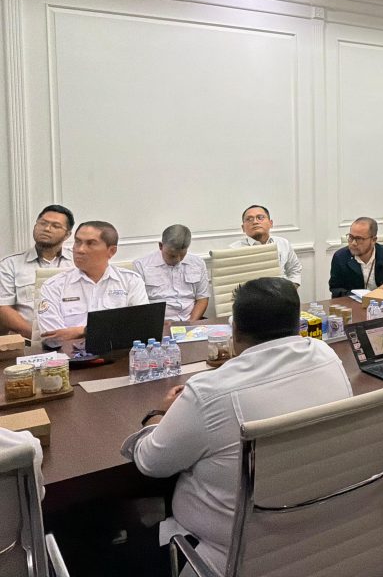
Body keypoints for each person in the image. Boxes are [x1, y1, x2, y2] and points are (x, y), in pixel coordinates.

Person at [120, 277, 353, 575]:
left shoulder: (208, 391)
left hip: (233, 549)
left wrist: (159, 414)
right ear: (297, 323)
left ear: (235, 330)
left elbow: (151, 463)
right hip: (321, 528)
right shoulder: (327, 357)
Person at [36, 221, 148, 341]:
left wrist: (82, 331)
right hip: (71, 356)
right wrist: (112, 330)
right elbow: (54, 337)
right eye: (77, 242)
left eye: (90, 243)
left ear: (111, 251)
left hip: (119, 354)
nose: (80, 250)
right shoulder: (53, 286)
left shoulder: (131, 281)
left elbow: (141, 327)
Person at [0, 204, 75, 338]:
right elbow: (3, 308)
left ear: (67, 235)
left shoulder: (77, 262)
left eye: (55, 226)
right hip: (29, 341)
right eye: (42, 223)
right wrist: (38, 337)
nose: (46, 229)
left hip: (74, 341)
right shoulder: (9, 264)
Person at [132, 224, 210, 323]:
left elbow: (202, 299)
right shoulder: (141, 266)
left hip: (190, 322)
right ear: (161, 246)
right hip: (158, 323)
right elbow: (139, 305)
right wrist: (158, 323)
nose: (177, 260)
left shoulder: (198, 263)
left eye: (182, 255)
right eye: (172, 256)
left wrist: (190, 323)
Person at [229, 205, 301, 285]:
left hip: (281, 294)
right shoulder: (233, 250)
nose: (255, 222)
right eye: (249, 219)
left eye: (260, 217)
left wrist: (292, 289)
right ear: (243, 228)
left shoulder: (283, 243)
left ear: (271, 223)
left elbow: (295, 269)